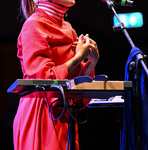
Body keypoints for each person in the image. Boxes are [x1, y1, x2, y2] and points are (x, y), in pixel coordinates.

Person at [13, 0, 99, 149]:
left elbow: (76, 86)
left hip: (64, 112)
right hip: (41, 111)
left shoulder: (68, 28)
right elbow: (43, 78)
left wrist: (91, 61)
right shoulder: (34, 25)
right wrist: (78, 57)